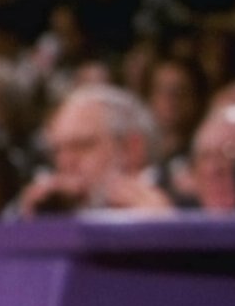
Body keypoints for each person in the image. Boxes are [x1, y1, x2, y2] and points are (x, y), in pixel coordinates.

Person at [18, 86, 172, 217]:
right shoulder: (55, 206)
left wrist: (165, 232)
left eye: (82, 146)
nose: (65, 163)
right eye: (57, 151)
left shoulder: (184, 202)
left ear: (131, 149)